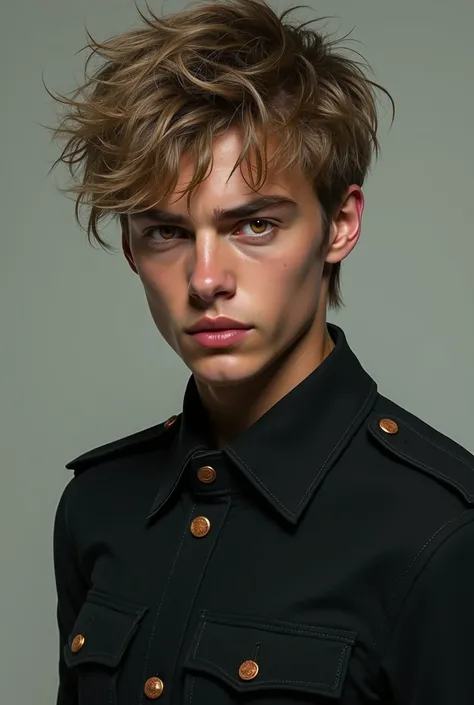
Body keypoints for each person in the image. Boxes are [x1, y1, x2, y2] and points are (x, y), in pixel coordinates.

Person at [49, 0, 474, 703]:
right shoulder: (96, 508)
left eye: (254, 224)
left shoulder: (442, 531)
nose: (206, 278)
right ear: (130, 246)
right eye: (166, 232)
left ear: (339, 224)